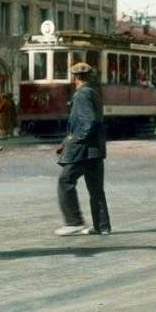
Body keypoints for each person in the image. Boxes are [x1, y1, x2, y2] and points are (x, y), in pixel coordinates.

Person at [55, 62, 111, 236]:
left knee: (65, 181)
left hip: (83, 150)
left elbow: (88, 122)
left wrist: (73, 140)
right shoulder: (93, 92)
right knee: (95, 188)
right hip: (95, 149)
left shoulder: (81, 94)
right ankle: (102, 226)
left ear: (75, 77)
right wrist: (65, 142)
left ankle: (73, 222)